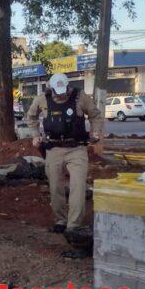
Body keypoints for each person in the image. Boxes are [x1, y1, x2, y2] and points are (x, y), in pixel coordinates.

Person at [27, 73, 104, 259]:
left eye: (64, 91)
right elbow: (31, 117)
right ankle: (60, 220)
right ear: (52, 88)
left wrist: (96, 132)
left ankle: (73, 225)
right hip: (53, 148)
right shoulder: (42, 99)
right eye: (57, 92)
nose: (61, 95)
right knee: (55, 186)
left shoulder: (80, 97)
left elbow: (95, 115)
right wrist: (35, 135)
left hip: (76, 148)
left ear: (68, 87)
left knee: (78, 186)